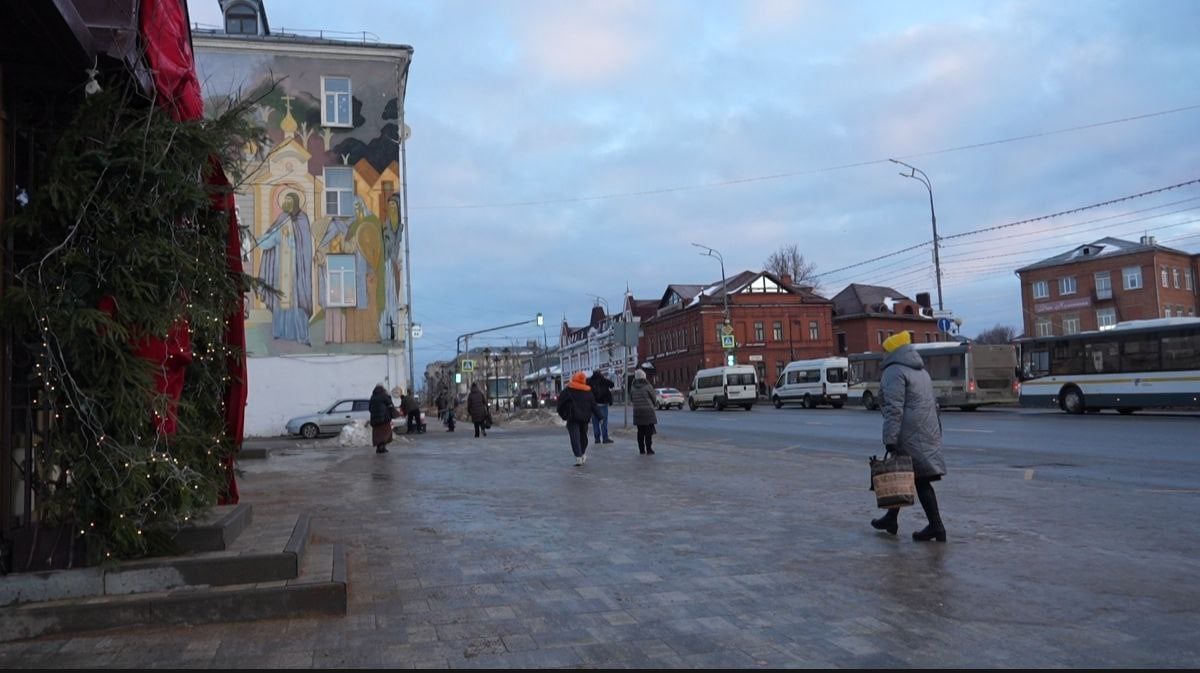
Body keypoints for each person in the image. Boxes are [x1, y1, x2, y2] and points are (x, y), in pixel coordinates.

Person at [870, 330, 947, 542]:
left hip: (909, 433)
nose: (882, 354)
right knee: (906, 476)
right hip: (926, 430)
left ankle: (936, 526)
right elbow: (933, 405)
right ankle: (891, 519)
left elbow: (894, 409)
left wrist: (890, 439)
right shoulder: (921, 371)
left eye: (884, 350)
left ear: (892, 351)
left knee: (918, 479)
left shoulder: (894, 371)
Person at [557, 371, 599, 467]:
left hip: (572, 417)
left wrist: (563, 414)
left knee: (574, 437)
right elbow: (594, 405)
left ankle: (578, 456)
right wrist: (600, 417)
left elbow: (560, 404)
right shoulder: (588, 391)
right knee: (583, 436)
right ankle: (582, 452)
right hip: (584, 418)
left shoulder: (568, 390)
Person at [630, 368, 658, 455]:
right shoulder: (648, 386)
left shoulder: (633, 387)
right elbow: (654, 398)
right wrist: (654, 405)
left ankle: (641, 449)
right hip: (648, 411)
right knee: (648, 432)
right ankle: (649, 449)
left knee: (640, 431)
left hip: (637, 412)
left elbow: (632, 399)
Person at [368, 383, 398, 454]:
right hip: (384, 419)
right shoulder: (384, 396)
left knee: (377, 434)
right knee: (385, 433)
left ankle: (379, 448)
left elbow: (369, 408)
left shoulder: (372, 397)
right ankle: (382, 447)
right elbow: (390, 405)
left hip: (375, 420)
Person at [587, 370, 615, 444]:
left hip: (593, 405)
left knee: (595, 422)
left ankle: (597, 439)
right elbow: (612, 384)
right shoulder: (604, 380)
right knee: (604, 422)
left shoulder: (589, 381)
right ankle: (605, 438)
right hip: (603, 404)